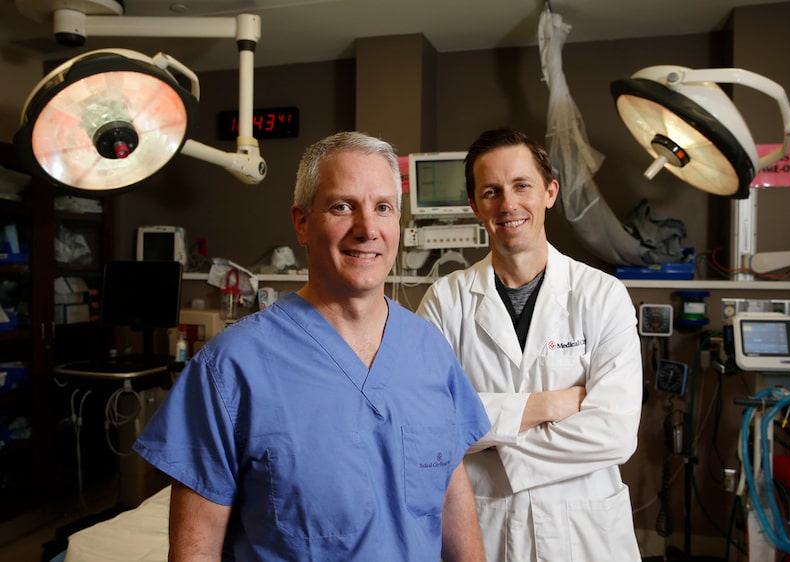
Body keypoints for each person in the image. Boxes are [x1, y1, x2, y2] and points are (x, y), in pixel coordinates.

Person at [134, 131, 491, 561]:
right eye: (343, 207)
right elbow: (196, 550)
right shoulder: (231, 368)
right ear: (302, 222)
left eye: (383, 208)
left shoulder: (429, 352)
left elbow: (452, 497)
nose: (367, 229)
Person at [417, 128, 643, 561]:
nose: (508, 204)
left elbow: (614, 433)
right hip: (486, 527)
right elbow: (429, 426)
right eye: (491, 191)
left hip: (584, 532)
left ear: (550, 192)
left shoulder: (602, 295)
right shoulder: (446, 301)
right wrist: (544, 407)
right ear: (474, 205)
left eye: (522, 185)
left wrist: (492, 443)